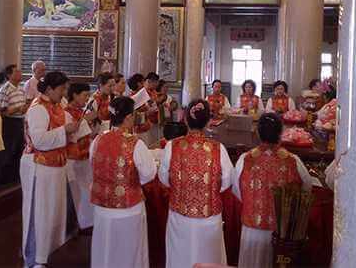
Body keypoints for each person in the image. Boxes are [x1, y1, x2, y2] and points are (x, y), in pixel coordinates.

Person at [159, 99, 233, 268]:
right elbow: (227, 181)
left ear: (185, 119)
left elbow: (164, 178)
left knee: (179, 255)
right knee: (208, 258)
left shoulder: (172, 146)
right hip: (209, 218)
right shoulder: (218, 148)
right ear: (208, 122)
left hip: (180, 215)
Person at [233, 113, 312, 268]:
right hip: (280, 232)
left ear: (257, 133)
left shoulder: (245, 159)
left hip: (251, 229)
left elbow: (237, 190)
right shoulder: (292, 161)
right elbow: (306, 188)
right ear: (280, 133)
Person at [90, 96, 156, 268]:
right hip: (128, 207)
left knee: (104, 249)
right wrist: (132, 181)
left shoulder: (98, 140)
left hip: (102, 207)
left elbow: (93, 164)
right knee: (128, 251)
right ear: (128, 117)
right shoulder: (135, 143)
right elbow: (149, 173)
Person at [21, 71, 79, 267]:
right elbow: (39, 140)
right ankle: (37, 258)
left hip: (56, 166)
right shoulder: (37, 109)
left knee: (55, 211)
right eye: (62, 89)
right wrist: (65, 131)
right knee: (41, 213)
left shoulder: (57, 106)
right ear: (49, 88)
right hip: (40, 165)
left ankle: (50, 253)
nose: (64, 93)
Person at [65, 83, 97, 230]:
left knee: (84, 192)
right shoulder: (67, 113)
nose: (87, 98)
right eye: (84, 95)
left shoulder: (79, 112)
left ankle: (84, 223)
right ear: (75, 95)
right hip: (73, 159)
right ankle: (74, 226)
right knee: (75, 193)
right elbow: (71, 137)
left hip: (84, 157)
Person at [0, 65, 28, 184]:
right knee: (8, 152)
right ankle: (4, 182)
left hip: (20, 122)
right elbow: (1, 111)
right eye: (17, 71)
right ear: (9, 75)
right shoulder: (5, 89)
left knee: (19, 151)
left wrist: (25, 108)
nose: (20, 73)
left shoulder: (21, 88)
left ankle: (15, 180)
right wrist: (19, 108)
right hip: (9, 123)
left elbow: (23, 106)